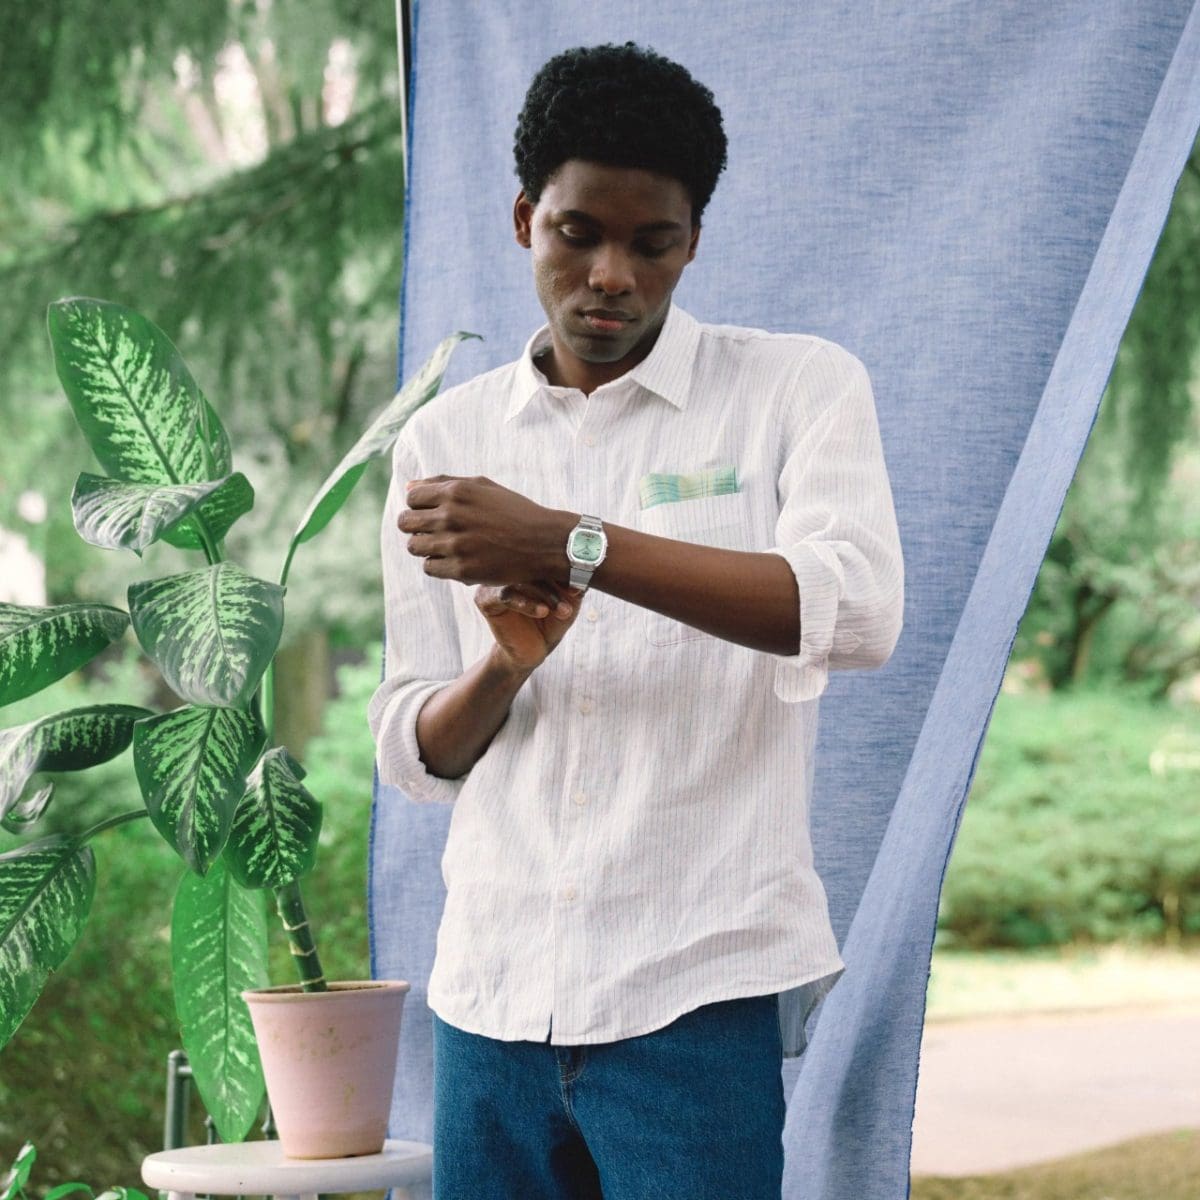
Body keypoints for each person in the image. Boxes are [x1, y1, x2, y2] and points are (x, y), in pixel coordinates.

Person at [369, 41, 904, 1200]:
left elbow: (858, 612)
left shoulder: (797, 389)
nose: (610, 275)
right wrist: (501, 670)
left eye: (651, 243)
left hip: (695, 992)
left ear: (693, 240)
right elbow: (414, 751)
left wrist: (572, 541)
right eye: (577, 233)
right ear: (525, 219)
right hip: (489, 998)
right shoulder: (444, 445)